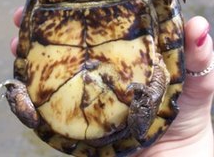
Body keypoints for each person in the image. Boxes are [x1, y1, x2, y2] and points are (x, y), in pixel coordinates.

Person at [11, 8, 214, 157]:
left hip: (59, 18)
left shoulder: (49, 119)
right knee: (154, 82)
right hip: (131, 12)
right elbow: (162, 68)